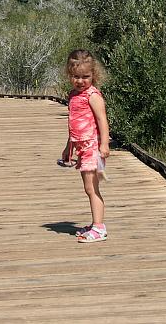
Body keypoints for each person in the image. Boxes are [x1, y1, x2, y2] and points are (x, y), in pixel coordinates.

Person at [62, 49, 110, 243]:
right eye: (76, 77)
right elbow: (73, 124)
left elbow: (102, 120)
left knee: (91, 188)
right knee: (88, 187)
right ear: (69, 75)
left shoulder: (93, 96)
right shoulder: (74, 95)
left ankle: (99, 228)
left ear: (93, 75)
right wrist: (69, 147)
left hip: (92, 147)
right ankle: (95, 224)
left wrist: (104, 144)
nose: (80, 81)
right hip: (81, 147)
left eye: (85, 77)